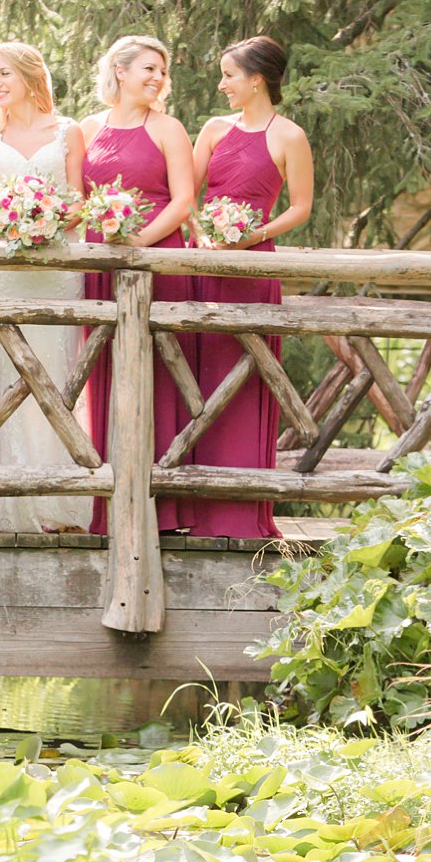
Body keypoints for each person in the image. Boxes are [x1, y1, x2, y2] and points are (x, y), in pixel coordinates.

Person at [190, 34, 315, 537]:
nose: (222, 85)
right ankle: (193, 506)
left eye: (229, 75)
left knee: (245, 378)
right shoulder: (214, 130)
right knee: (196, 378)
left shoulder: (290, 136)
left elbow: (301, 207)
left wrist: (251, 235)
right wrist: (202, 234)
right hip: (205, 267)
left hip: (252, 267)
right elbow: (188, 193)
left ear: (257, 78)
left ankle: (240, 512)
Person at [0, 41, 91, 531]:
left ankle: (62, 500)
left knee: (58, 373)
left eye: (4, 74)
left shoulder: (67, 131)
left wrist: (50, 222)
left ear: (28, 76)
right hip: (7, 268)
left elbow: (79, 201)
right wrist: (14, 226)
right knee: (10, 375)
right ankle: (16, 499)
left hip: (58, 270)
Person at [80, 34, 194, 531]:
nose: (157, 78)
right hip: (100, 262)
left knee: (161, 373)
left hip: (157, 261)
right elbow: (75, 196)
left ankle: (163, 506)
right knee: (103, 369)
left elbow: (184, 201)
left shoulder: (168, 128)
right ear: (120, 71)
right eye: (148, 68)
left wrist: (140, 244)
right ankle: (110, 505)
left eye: (161, 71)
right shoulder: (86, 129)